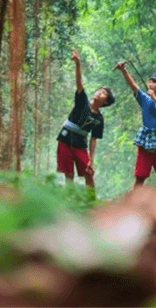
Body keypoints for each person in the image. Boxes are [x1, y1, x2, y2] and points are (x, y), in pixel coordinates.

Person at [56, 50, 115, 199]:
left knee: (89, 174)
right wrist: (78, 63)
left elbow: (93, 139)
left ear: (105, 102)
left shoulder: (99, 119)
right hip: (65, 139)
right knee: (68, 174)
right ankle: (69, 200)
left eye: (103, 94)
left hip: (81, 145)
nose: (99, 93)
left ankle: (92, 201)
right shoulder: (82, 101)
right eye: (99, 90)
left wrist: (92, 159)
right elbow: (79, 83)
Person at [115, 61, 156, 188]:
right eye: (150, 81)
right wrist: (124, 71)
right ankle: (134, 204)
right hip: (145, 141)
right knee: (140, 176)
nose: (151, 84)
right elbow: (133, 85)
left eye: (155, 82)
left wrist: (155, 98)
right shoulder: (144, 98)